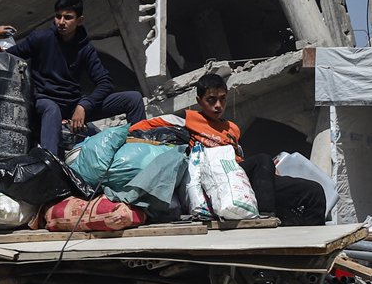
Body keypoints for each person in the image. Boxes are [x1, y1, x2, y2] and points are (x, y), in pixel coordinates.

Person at [130, 73, 326, 225]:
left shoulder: (232, 128)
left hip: (243, 179)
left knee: (314, 191)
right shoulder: (188, 121)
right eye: (211, 100)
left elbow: (240, 157)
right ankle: (265, 220)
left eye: (222, 99)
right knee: (263, 159)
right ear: (199, 101)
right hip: (216, 178)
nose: (218, 105)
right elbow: (140, 127)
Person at [0, 0, 145, 156]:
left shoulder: (85, 49)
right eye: (58, 16)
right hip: (44, 102)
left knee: (134, 99)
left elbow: (105, 83)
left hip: (74, 104)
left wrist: (83, 106)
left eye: (68, 18)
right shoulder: (41, 38)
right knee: (52, 109)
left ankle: (139, 149)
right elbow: (12, 56)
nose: (61, 22)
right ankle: (48, 162)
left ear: (79, 21)